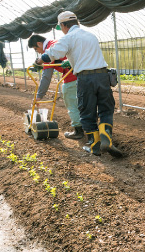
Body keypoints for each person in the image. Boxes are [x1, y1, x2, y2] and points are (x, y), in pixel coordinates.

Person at [34, 11, 122, 157]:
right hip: (102, 76)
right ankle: (106, 137)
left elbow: (51, 54)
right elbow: (85, 55)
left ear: (63, 25)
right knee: (106, 109)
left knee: (87, 111)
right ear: (77, 22)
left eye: (61, 27)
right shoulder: (91, 36)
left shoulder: (68, 38)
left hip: (85, 79)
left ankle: (95, 145)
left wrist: (39, 61)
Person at [28, 34, 84, 140]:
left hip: (72, 77)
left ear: (39, 44)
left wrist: (39, 96)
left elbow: (46, 77)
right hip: (84, 75)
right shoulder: (56, 43)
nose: (38, 52)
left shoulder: (50, 51)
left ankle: (78, 131)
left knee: (72, 104)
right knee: (84, 103)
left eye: (36, 49)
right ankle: (92, 129)